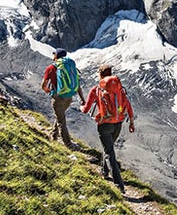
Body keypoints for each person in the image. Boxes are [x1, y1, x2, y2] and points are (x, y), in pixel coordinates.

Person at [81, 64, 135, 193]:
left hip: (104, 124)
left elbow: (86, 109)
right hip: (118, 124)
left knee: (109, 152)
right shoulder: (120, 89)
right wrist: (131, 122)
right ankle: (104, 172)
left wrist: (81, 106)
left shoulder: (96, 89)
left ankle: (119, 184)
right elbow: (127, 104)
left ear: (100, 75)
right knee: (108, 148)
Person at [41, 48, 85, 149]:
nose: (53, 56)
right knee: (59, 116)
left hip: (58, 97)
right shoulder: (70, 66)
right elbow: (77, 84)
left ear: (56, 56)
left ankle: (68, 144)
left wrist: (50, 92)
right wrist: (82, 99)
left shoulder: (51, 68)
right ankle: (54, 135)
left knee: (61, 121)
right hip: (69, 97)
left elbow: (43, 85)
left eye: (54, 54)